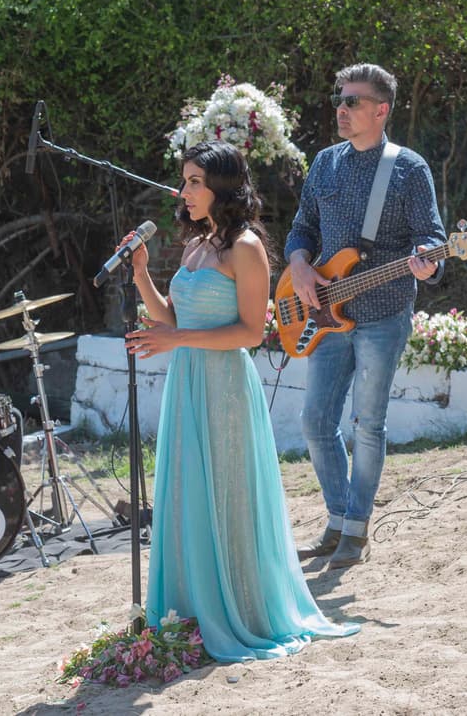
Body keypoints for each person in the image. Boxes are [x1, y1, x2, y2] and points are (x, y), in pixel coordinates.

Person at [125, 139, 357, 661]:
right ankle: (188, 608)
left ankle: (238, 608)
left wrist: (176, 339)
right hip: (187, 384)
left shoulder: (247, 247)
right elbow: (173, 318)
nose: (183, 191)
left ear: (221, 188)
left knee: (225, 493)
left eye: (194, 182)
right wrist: (140, 273)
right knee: (188, 492)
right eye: (183, 180)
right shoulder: (194, 246)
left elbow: (252, 332)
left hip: (225, 389)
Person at [284, 63, 446, 568]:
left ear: (381, 110)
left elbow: (434, 241)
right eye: (340, 99)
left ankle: (356, 530)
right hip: (325, 314)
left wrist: (427, 266)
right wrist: (300, 269)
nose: (341, 108)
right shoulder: (325, 163)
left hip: (382, 312)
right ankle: (340, 520)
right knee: (315, 421)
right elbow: (301, 229)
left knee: (367, 425)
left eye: (352, 101)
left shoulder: (409, 168)